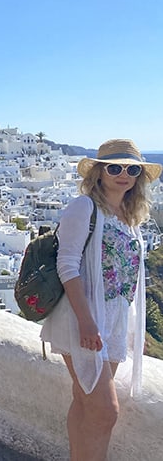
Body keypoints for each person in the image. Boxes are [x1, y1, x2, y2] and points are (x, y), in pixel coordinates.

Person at [40, 139, 158, 461]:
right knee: (106, 411)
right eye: (115, 167)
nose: (124, 174)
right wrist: (86, 321)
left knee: (85, 401)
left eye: (132, 169)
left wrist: (137, 331)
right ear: (99, 171)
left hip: (114, 322)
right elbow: (67, 265)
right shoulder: (84, 207)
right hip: (85, 319)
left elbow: (128, 280)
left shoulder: (129, 217)